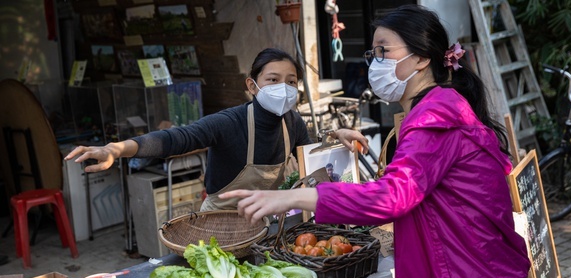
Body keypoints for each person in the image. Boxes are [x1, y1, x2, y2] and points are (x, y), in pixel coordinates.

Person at [221, 5, 531, 278]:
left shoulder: (435, 115)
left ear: (420, 59)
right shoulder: (438, 107)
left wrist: (293, 196)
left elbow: (394, 194)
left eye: (384, 50)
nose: (374, 61)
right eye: (373, 52)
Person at [65, 48, 368, 211]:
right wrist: (116, 149)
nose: (283, 88)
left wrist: (335, 138)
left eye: (291, 82)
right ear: (252, 85)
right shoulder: (228, 122)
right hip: (220, 220)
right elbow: (175, 138)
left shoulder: (292, 122)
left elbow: (311, 156)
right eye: (273, 80)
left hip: (264, 220)